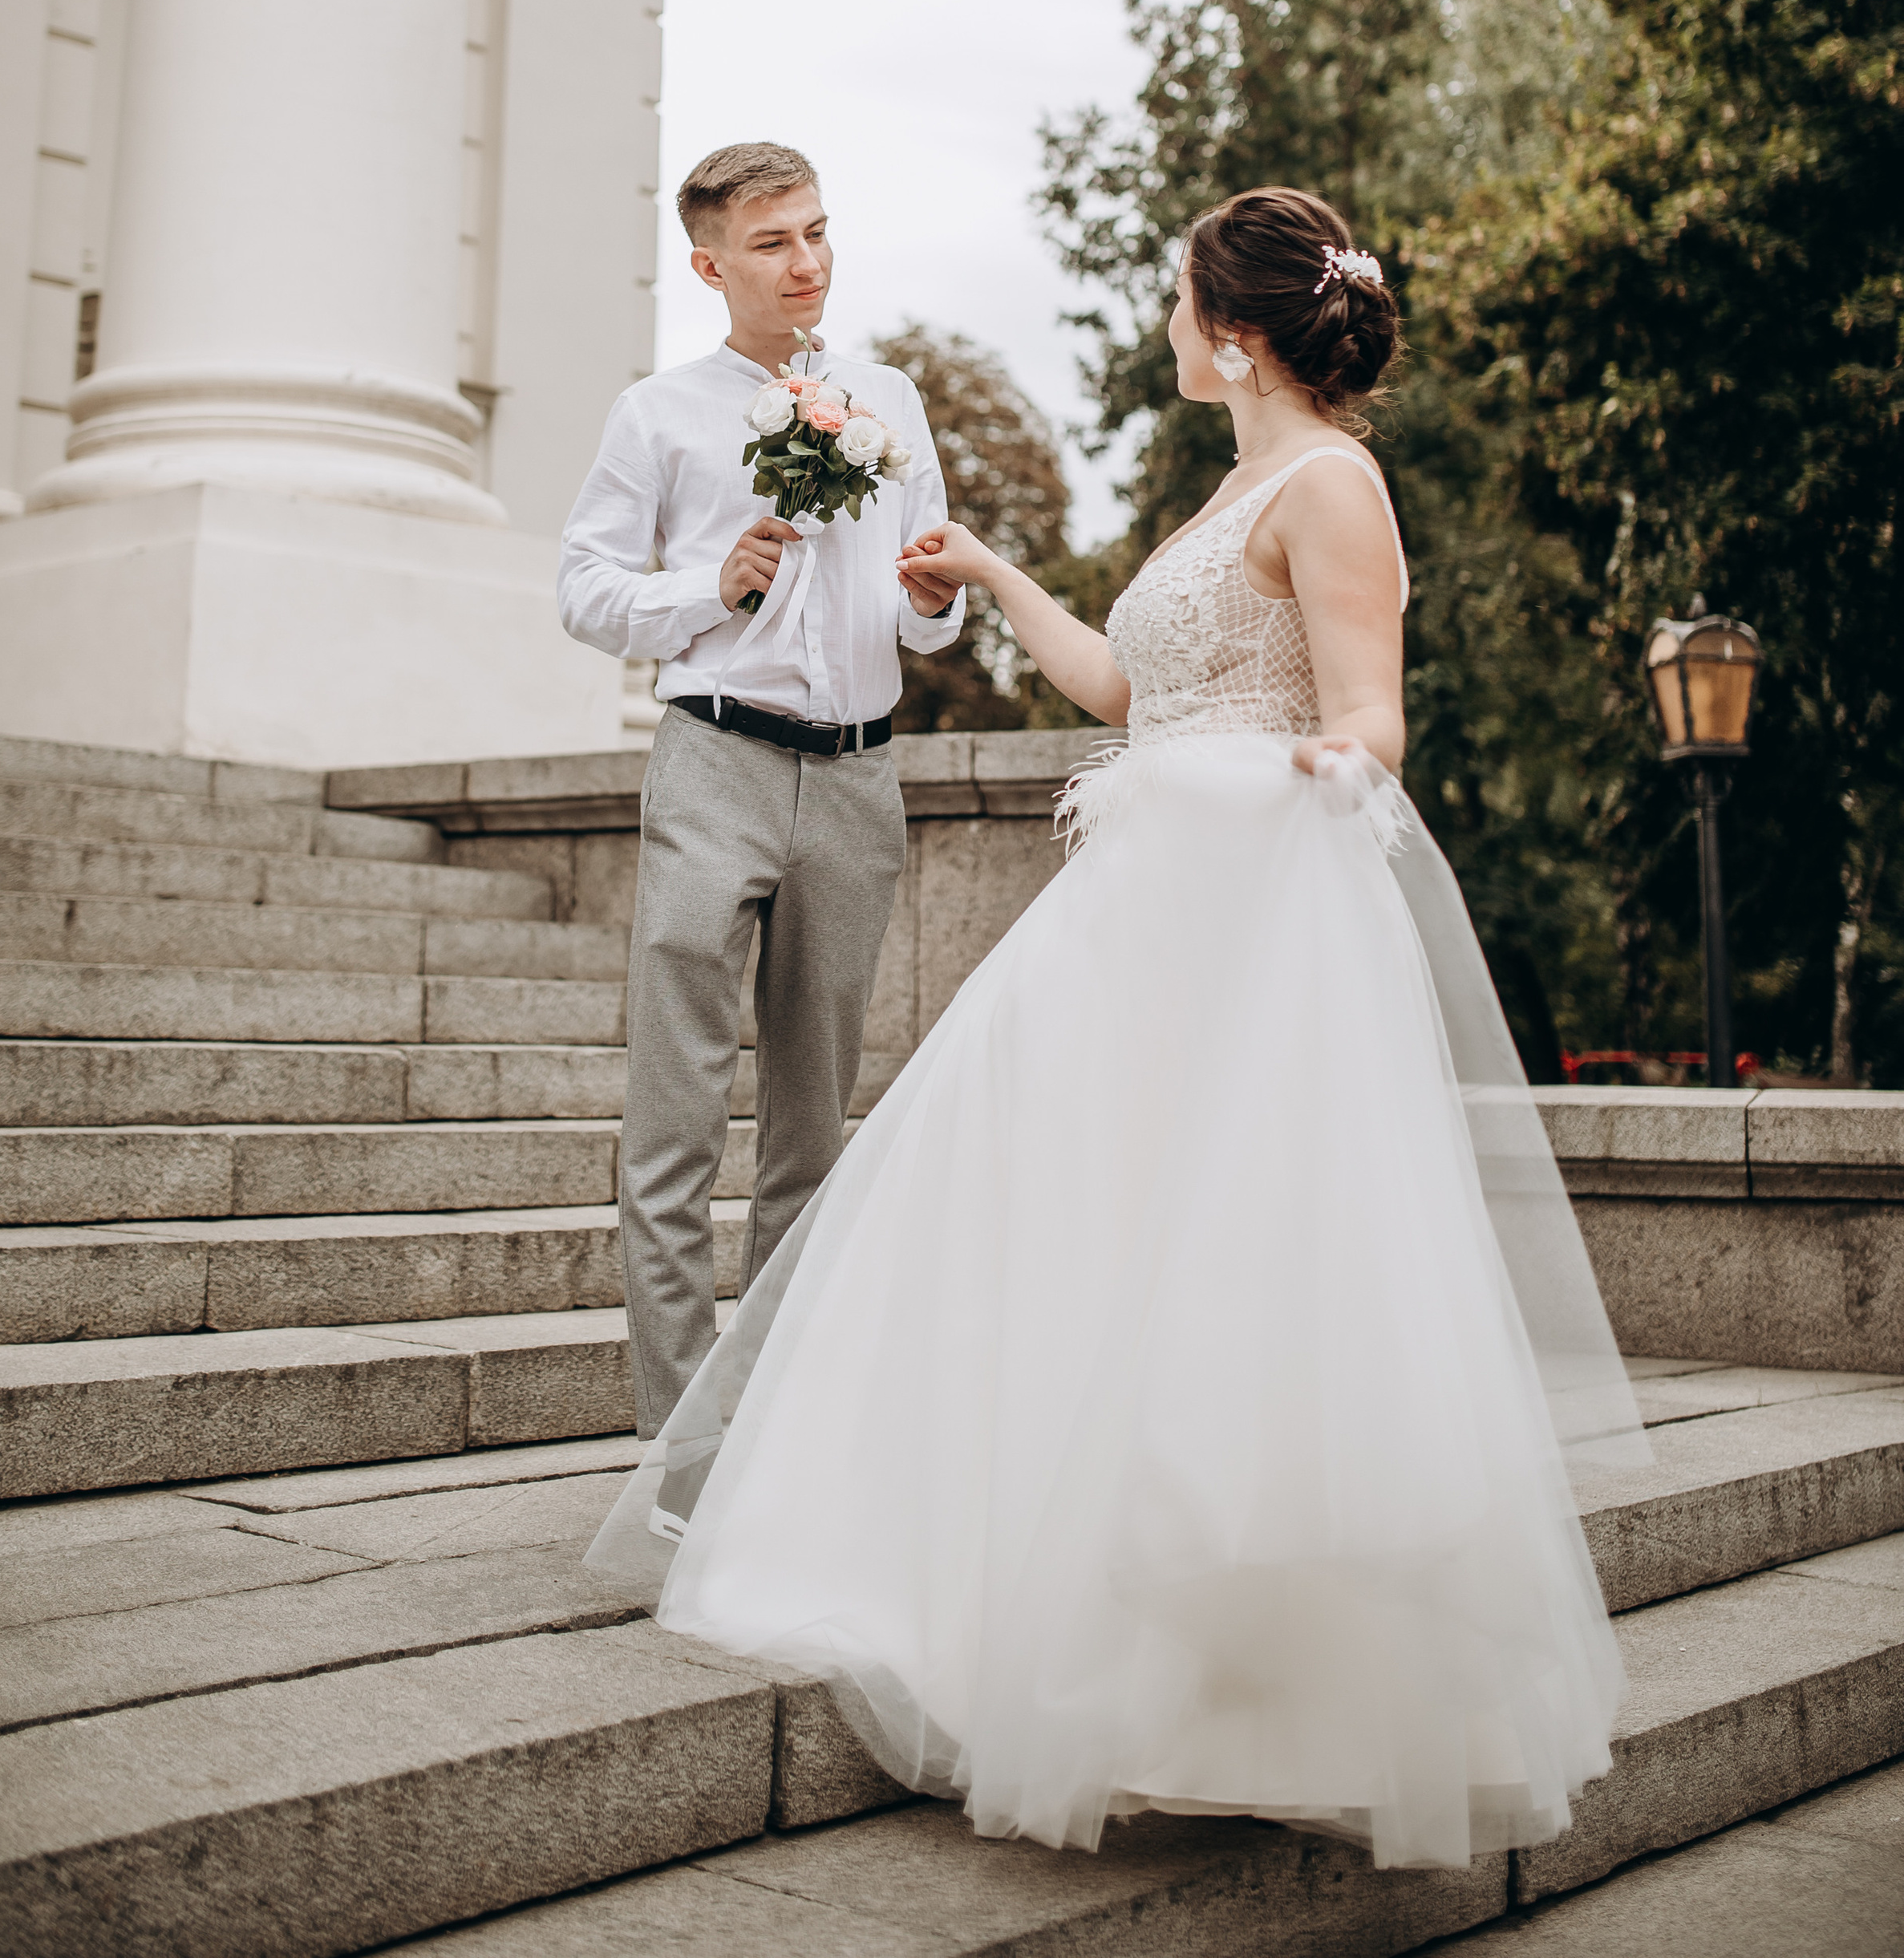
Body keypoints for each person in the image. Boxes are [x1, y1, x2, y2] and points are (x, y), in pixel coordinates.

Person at [588, 184, 1645, 1871]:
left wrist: (1316, 768)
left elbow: (1368, 717)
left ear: (1231, 332)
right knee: (1083, 1251)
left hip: (1244, 914)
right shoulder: (1226, 486)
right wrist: (996, 575)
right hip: (1143, 911)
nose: (1164, 322)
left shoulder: (1332, 485)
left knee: (1223, 1282)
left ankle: (1225, 1675)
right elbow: (1129, 692)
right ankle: (1061, 1609)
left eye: (1175, 300)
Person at [557, 141, 964, 1443]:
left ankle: (772, 1442)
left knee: (811, 1136)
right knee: (675, 1126)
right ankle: (677, 1451)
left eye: (819, 233)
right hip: (713, 766)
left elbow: (928, 621)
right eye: (777, 242)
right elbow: (583, 592)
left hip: (857, 782)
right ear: (711, 263)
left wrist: (935, 599)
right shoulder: (657, 415)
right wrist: (706, 587)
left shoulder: (887, 396)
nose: (810, 263)